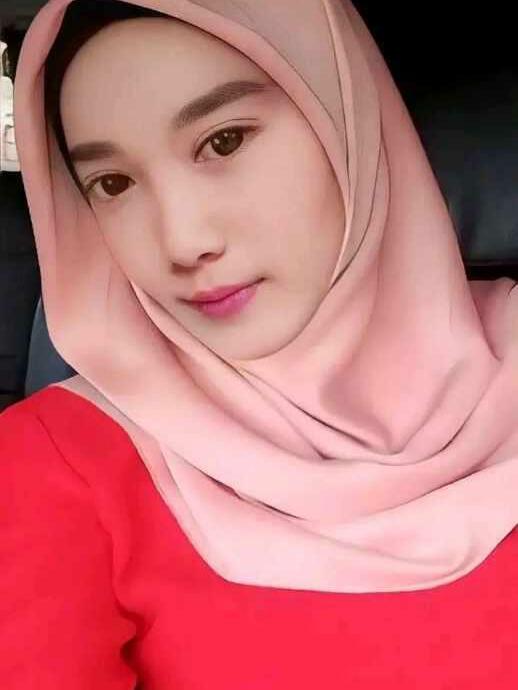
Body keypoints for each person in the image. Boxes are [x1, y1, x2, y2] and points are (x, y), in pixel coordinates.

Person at [3, 0, 518, 686]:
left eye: (224, 142)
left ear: (347, 126)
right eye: (113, 184)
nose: (183, 240)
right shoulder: (54, 462)